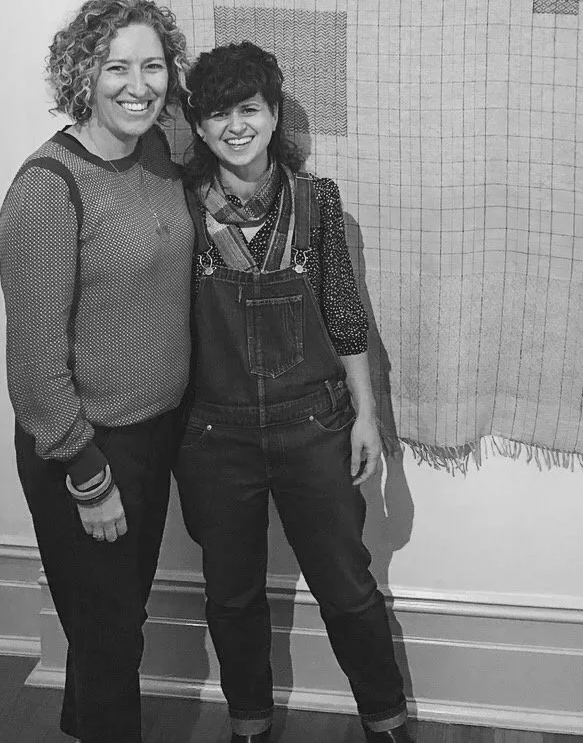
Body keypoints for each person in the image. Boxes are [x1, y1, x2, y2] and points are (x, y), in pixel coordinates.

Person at [175, 41, 412, 743]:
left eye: (249, 109)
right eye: (217, 114)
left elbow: (344, 312)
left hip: (316, 424)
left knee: (346, 584)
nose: (234, 126)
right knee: (233, 592)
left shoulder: (318, 200)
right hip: (212, 437)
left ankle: (386, 718)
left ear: (274, 115)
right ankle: (248, 720)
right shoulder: (179, 208)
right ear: (198, 125)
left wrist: (367, 413)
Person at [0, 0, 195, 743]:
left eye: (152, 65)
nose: (137, 85)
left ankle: (85, 726)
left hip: (152, 435)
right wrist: (88, 476)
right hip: (86, 447)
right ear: (82, 76)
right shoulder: (49, 190)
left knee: (112, 621)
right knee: (113, 637)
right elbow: (34, 366)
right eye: (116, 67)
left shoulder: (152, 157)